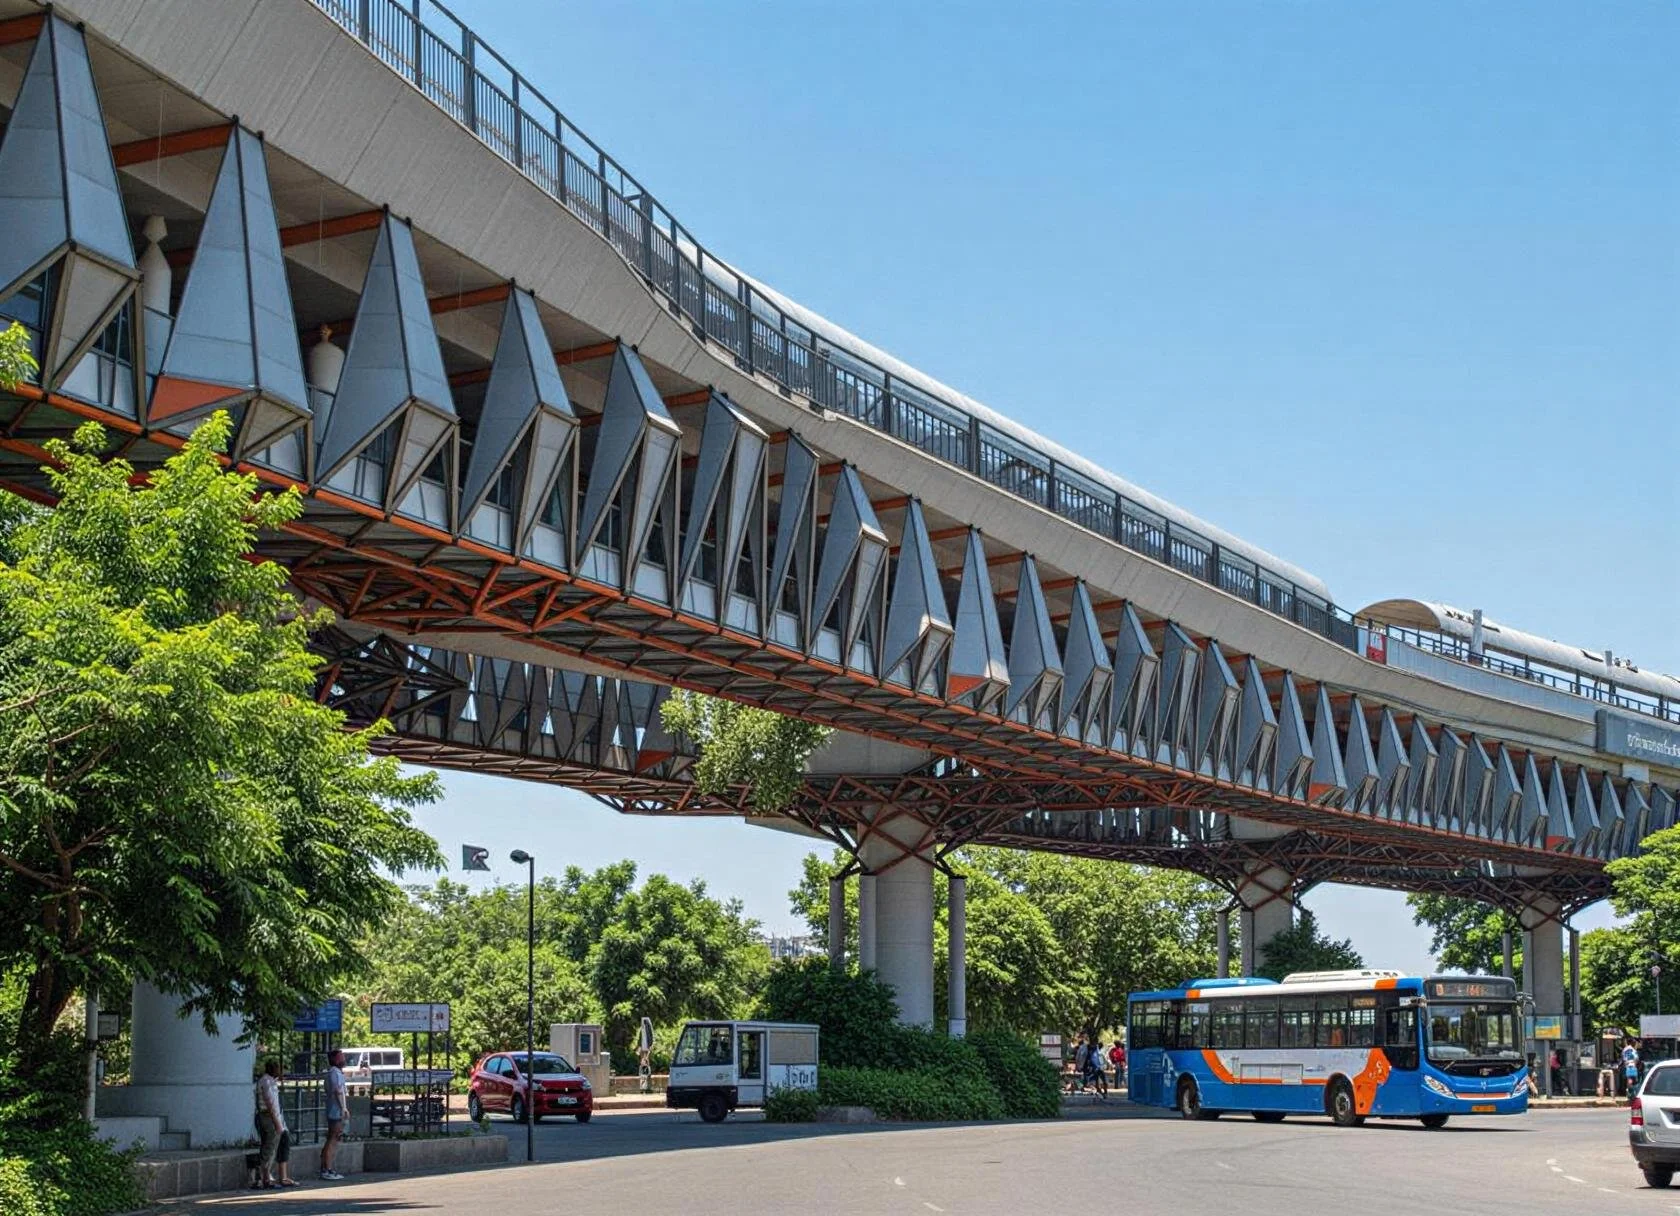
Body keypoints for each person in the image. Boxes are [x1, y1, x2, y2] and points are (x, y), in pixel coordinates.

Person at [253, 1060, 287, 1189]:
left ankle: (264, 1175)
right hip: (268, 1117)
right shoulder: (266, 1082)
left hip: (267, 1116)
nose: (280, 1072)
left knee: (268, 1146)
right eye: (278, 1069)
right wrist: (277, 1123)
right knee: (270, 1146)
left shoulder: (269, 1081)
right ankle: (264, 1177)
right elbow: (269, 1103)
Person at [321, 1048, 348, 1181]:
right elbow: (338, 1091)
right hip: (335, 1110)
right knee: (333, 1139)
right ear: (335, 1059)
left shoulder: (334, 1073)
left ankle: (327, 1168)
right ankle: (327, 1169)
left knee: (333, 1138)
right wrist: (343, 1108)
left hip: (334, 1109)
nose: (344, 1059)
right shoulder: (335, 1073)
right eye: (341, 1057)